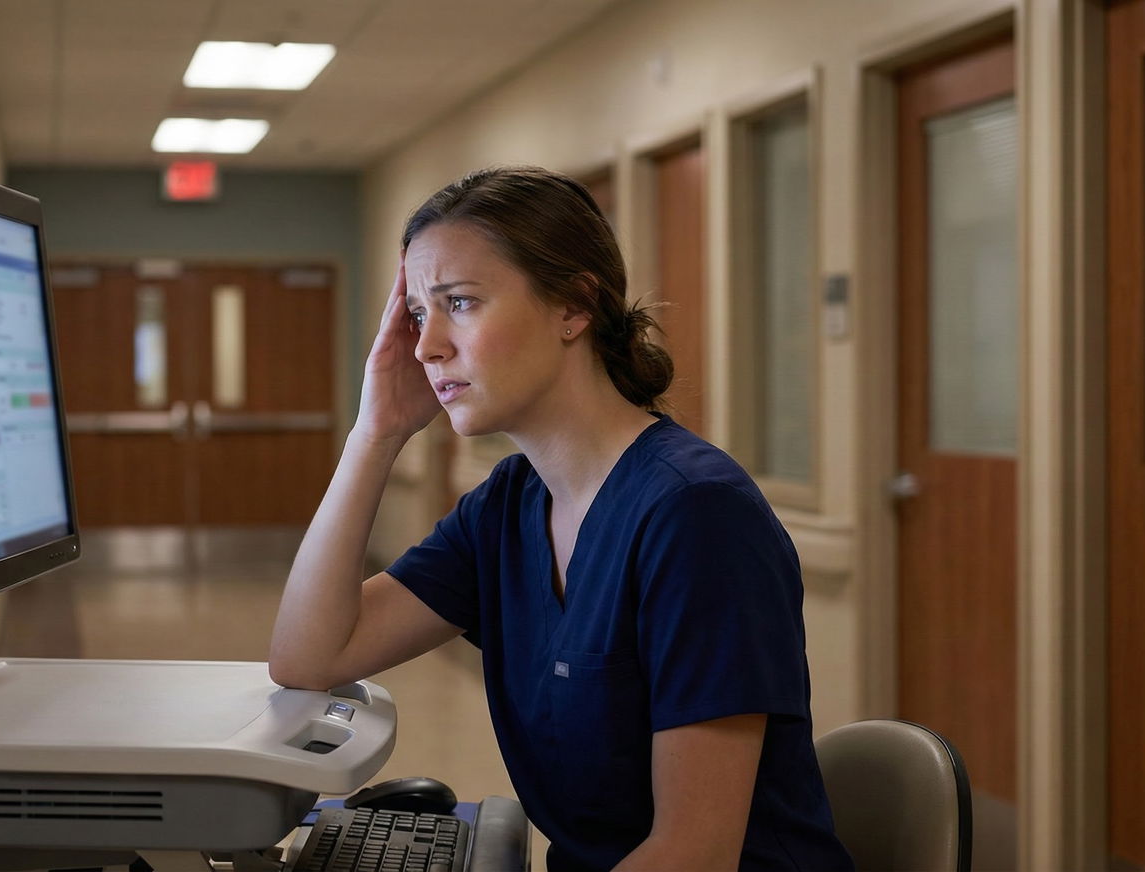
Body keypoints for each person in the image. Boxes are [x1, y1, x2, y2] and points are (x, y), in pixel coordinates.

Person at [269, 167, 852, 872]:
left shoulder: (696, 515)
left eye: (460, 303)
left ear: (574, 305)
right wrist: (375, 433)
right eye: (420, 315)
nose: (426, 347)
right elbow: (311, 658)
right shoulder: (511, 503)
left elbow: (694, 853)